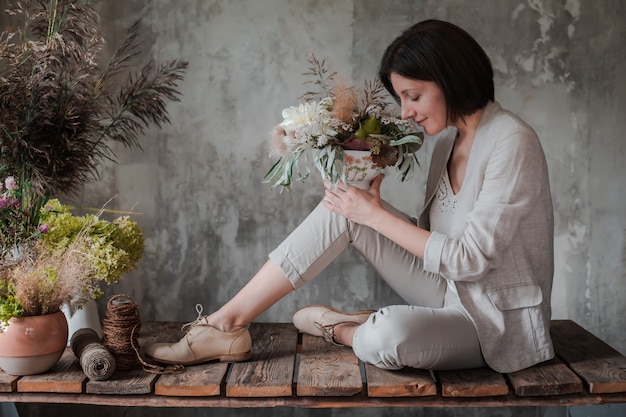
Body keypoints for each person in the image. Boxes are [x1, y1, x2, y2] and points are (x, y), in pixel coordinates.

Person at [145, 19, 555, 373]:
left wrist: (376, 216)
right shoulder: (450, 143)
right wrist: (366, 206)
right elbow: (432, 243)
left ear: (451, 78)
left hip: (492, 320)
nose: (405, 112)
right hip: (446, 291)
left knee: (391, 335)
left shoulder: (512, 142)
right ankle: (226, 325)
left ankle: (343, 329)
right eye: (401, 99)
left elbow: (470, 258)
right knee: (346, 203)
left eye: (413, 95)